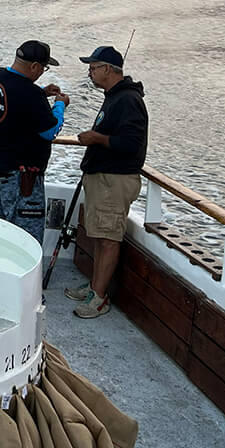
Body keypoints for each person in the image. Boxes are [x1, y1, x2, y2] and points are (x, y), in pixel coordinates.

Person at [65, 46, 148, 319]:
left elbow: (132, 144)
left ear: (109, 70)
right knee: (100, 235)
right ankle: (94, 287)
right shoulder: (114, 97)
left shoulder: (128, 101)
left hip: (115, 180)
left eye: (93, 67)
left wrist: (97, 139)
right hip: (102, 178)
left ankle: (99, 298)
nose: (89, 72)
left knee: (109, 239)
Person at [0, 40, 70, 244]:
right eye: (43, 68)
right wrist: (59, 105)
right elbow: (50, 131)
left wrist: (41, 91)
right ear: (34, 66)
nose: (42, 72)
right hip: (21, 180)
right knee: (25, 241)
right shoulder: (31, 95)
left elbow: (16, 94)